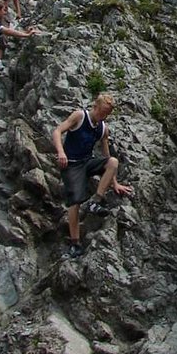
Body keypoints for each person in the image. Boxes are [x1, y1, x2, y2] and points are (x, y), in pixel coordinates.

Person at [52, 92, 133, 259]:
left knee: (113, 162)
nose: (103, 116)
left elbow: (106, 154)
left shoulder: (103, 128)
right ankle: (75, 243)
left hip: (87, 161)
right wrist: (61, 152)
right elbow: (57, 131)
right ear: (95, 106)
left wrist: (115, 183)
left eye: (106, 114)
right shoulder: (79, 116)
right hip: (71, 164)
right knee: (75, 201)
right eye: (101, 111)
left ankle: (96, 201)